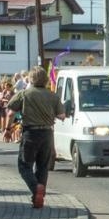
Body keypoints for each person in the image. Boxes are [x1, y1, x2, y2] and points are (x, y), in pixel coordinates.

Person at [9, 67, 66, 209]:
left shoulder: (24, 94)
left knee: (24, 165)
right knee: (43, 166)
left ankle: (36, 189)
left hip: (30, 133)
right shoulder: (53, 96)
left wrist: (7, 129)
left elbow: (10, 113)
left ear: (31, 79)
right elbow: (62, 116)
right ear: (46, 80)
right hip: (47, 134)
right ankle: (38, 198)